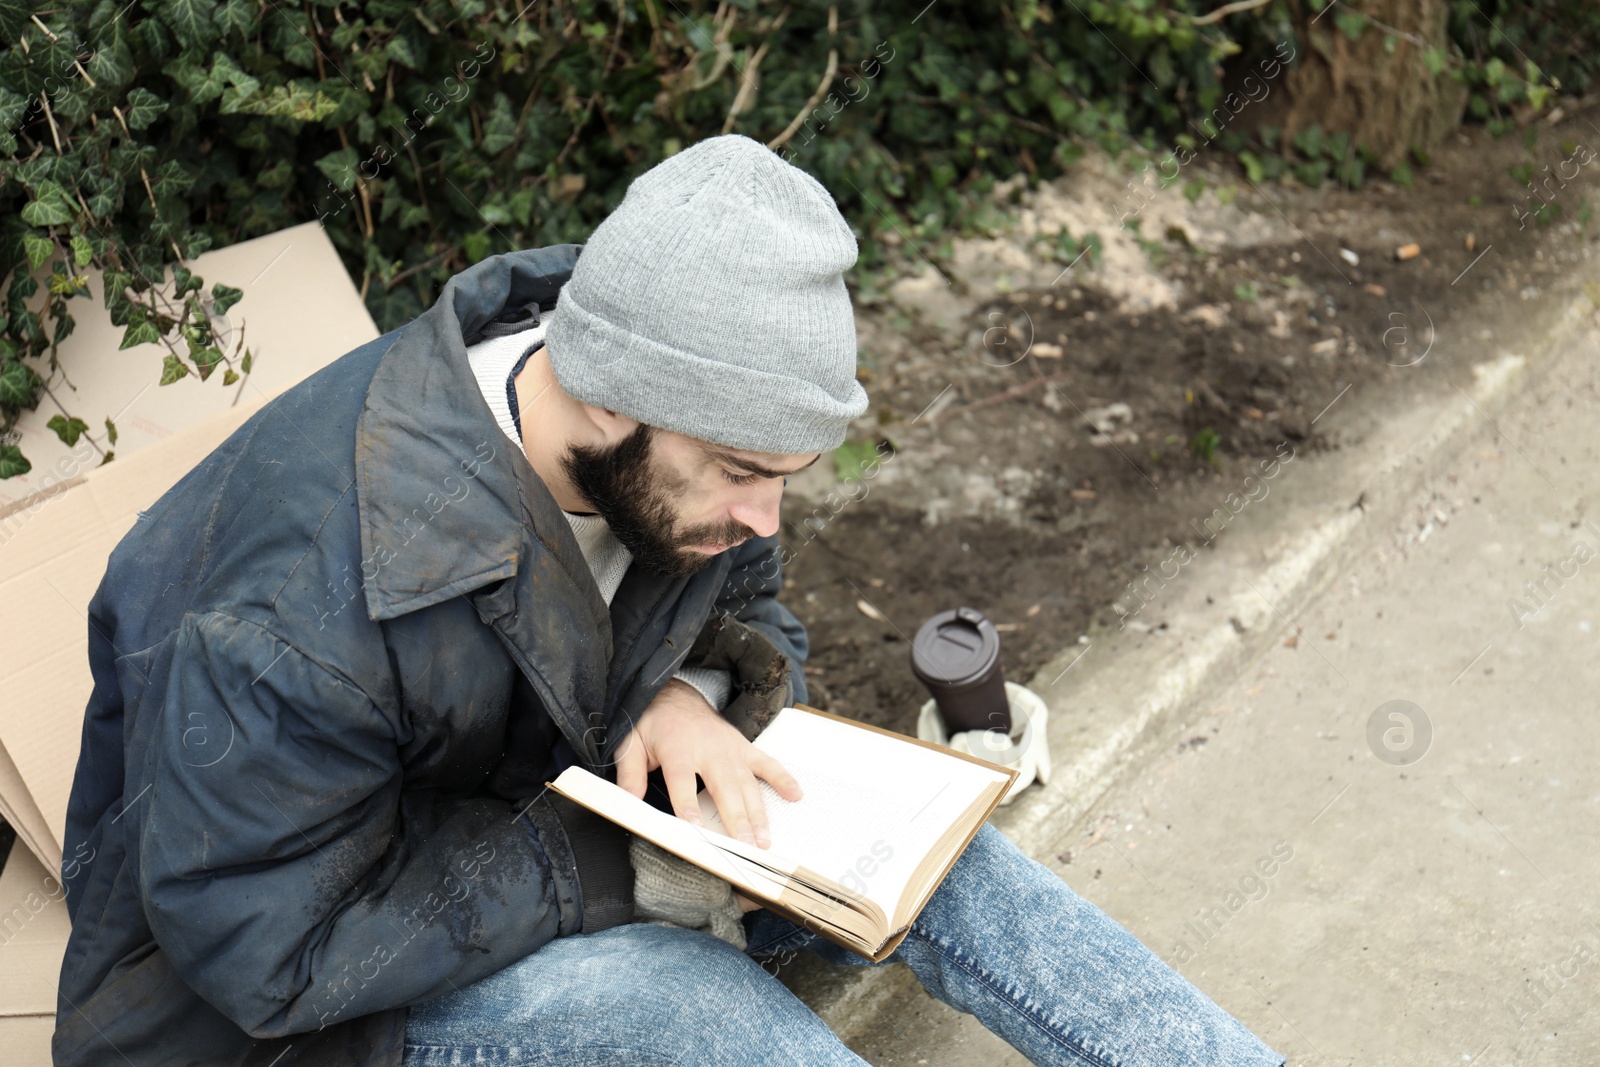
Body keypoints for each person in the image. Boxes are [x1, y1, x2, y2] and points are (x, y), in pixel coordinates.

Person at [53, 134, 1284, 1066]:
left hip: (530, 841)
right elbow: (267, 948)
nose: (766, 517)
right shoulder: (299, 610)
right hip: (296, 1011)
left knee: (943, 866)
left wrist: (688, 692)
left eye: (787, 475)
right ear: (603, 400)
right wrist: (616, 874)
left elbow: (749, 598)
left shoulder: (654, 433)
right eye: (747, 473)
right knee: (695, 1011)